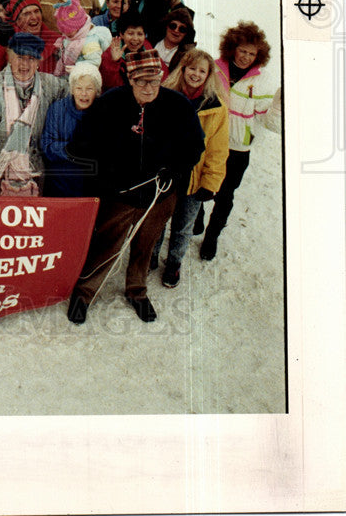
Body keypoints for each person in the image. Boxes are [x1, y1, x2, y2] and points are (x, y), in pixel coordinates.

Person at [65, 49, 205, 324]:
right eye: (141, 81)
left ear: (162, 77)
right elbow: (81, 146)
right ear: (130, 79)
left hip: (159, 196)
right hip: (119, 194)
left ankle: (137, 291)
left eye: (154, 80)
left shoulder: (178, 106)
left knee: (146, 245)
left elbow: (195, 147)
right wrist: (108, 178)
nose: (149, 87)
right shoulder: (109, 103)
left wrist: (174, 170)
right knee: (106, 245)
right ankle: (84, 293)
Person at [194, 21, 273, 260]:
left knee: (225, 194)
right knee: (199, 182)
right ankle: (195, 217)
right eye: (242, 50)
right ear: (232, 48)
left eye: (252, 53)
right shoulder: (215, 68)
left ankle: (212, 235)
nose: (246, 57)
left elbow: (267, 118)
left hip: (238, 147)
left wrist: (279, 107)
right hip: (209, 140)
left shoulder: (261, 79)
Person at [152, 49, 229, 286]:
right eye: (192, 68)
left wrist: (210, 182)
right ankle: (150, 257)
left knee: (183, 226)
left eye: (202, 71)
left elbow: (217, 150)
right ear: (183, 69)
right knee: (157, 220)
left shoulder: (215, 107)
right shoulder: (164, 95)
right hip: (165, 173)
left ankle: (174, 263)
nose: (196, 74)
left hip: (193, 177)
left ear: (209, 76)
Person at [0, 33, 67, 196]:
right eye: (20, 57)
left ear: (38, 62)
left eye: (31, 58)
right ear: (9, 57)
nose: (25, 64)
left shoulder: (51, 86)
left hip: (33, 180)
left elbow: (77, 95)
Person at [41, 64, 102, 196]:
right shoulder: (58, 109)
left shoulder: (102, 112)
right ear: (72, 89)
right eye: (79, 88)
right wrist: (70, 149)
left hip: (90, 184)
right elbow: (46, 145)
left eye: (89, 89)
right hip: (60, 182)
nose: (83, 94)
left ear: (96, 91)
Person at [0, 0, 61, 81]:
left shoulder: (56, 40)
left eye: (36, 11)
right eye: (26, 13)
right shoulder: (7, 40)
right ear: (17, 19)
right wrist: (1, 44)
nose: (34, 17)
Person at [51, 0, 112, 77]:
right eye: (64, 30)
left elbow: (94, 62)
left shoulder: (90, 42)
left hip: (84, 78)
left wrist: (78, 68)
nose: (67, 33)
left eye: (69, 29)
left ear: (79, 25)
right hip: (69, 77)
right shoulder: (73, 37)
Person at [99, 9, 152, 92]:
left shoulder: (148, 48)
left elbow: (161, 76)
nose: (135, 39)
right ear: (121, 34)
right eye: (130, 33)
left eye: (140, 34)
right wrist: (114, 62)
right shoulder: (110, 51)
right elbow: (108, 85)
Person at [153, 6, 195, 76]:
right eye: (173, 26)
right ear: (166, 25)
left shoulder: (187, 56)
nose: (176, 30)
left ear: (186, 34)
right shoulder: (151, 42)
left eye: (182, 29)